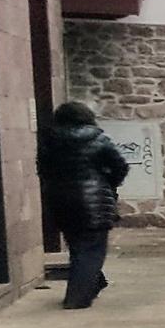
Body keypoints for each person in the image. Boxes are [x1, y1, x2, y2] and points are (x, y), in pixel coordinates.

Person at [38, 102, 130, 309]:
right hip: (93, 201)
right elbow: (120, 165)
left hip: (60, 200)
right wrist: (108, 183)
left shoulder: (50, 141)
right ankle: (77, 298)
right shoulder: (98, 139)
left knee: (78, 247)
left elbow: (43, 170)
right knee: (92, 249)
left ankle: (93, 283)